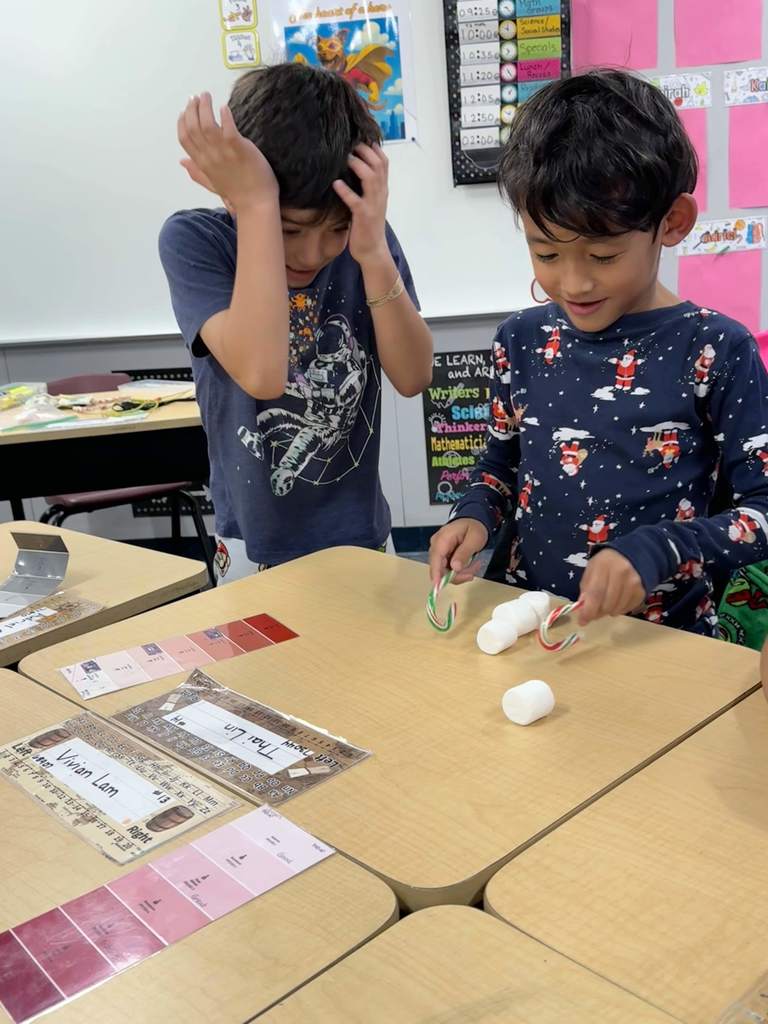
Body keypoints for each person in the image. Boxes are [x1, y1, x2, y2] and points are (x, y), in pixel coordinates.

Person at [429, 69, 768, 636]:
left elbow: (761, 511)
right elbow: (499, 466)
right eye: (546, 252)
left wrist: (664, 547)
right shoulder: (520, 341)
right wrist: (475, 515)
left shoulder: (716, 349)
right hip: (530, 626)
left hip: (664, 641)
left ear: (672, 223)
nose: (574, 283)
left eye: (603, 256)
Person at [159, 63, 432, 580]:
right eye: (288, 230)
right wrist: (257, 203)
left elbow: (414, 376)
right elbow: (262, 373)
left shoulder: (365, 240)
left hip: (362, 534)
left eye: (335, 229)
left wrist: (371, 251)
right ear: (232, 195)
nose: (314, 253)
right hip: (250, 542)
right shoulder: (197, 241)